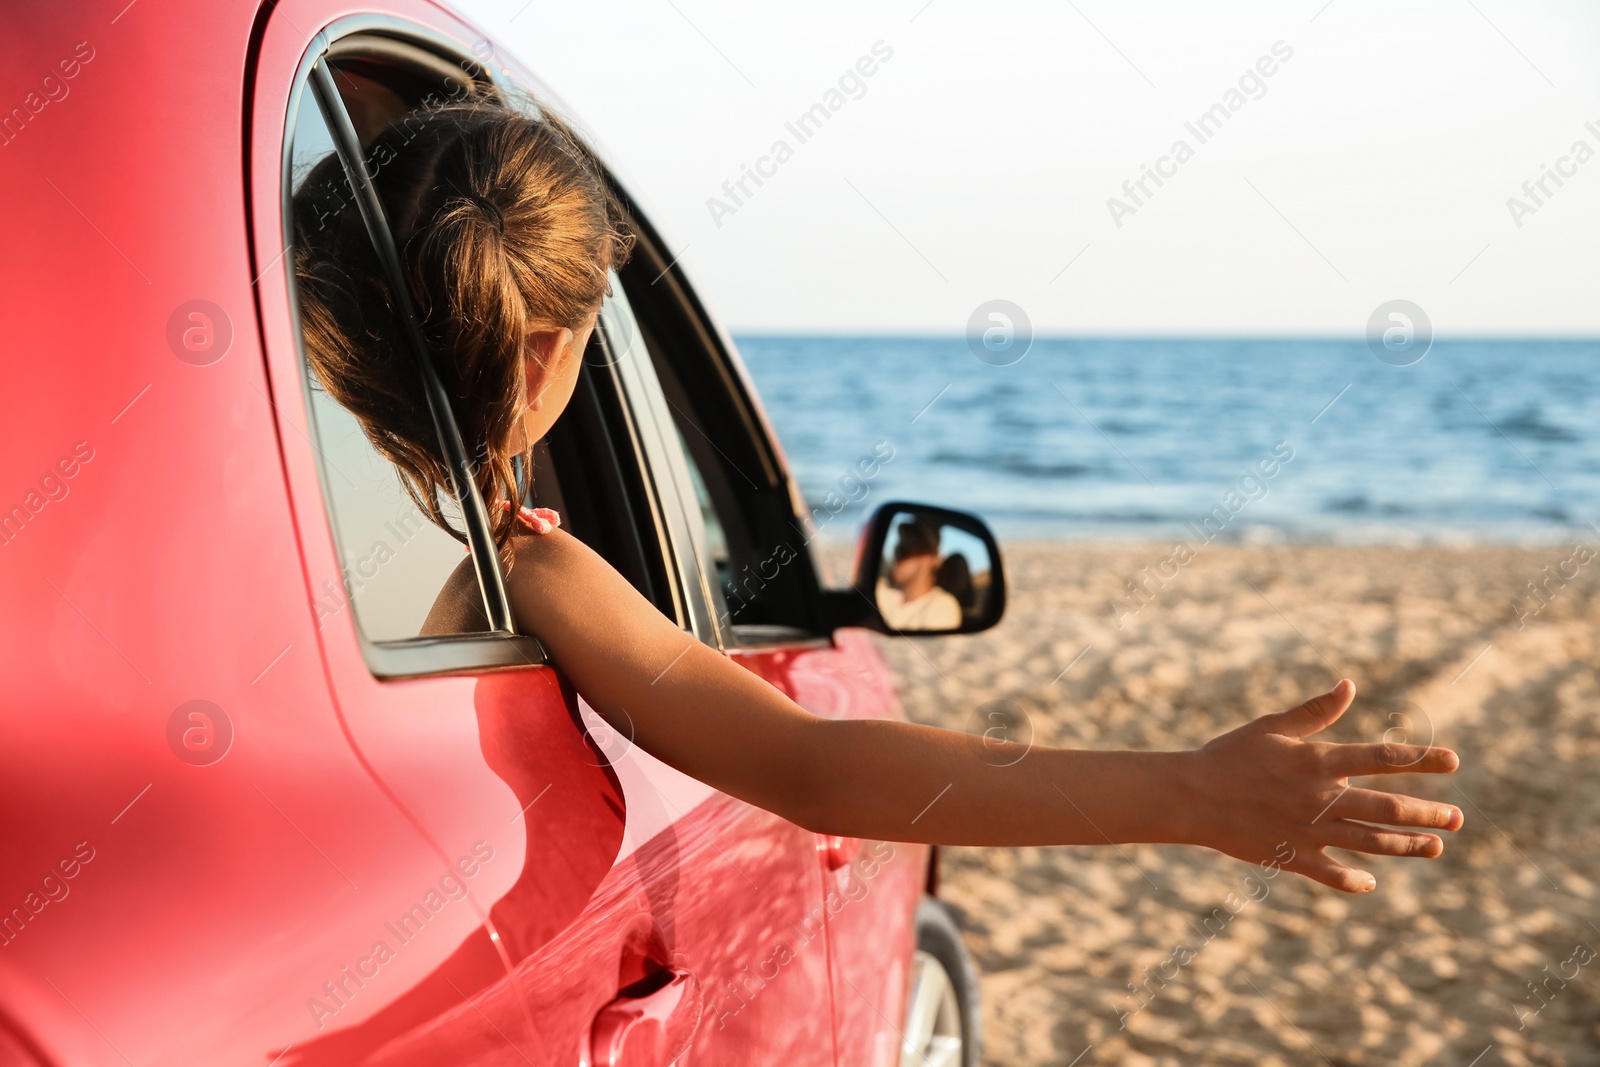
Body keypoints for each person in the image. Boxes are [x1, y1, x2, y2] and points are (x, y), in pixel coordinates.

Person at [293, 91, 1463, 895]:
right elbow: (817, 769)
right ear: (548, 352)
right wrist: (1188, 790)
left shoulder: (291, 504)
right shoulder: (534, 569)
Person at [876, 518, 964, 630]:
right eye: (896, 549)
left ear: (928, 559)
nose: (896, 556)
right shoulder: (884, 593)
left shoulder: (942, 606)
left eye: (904, 551)